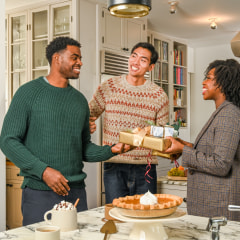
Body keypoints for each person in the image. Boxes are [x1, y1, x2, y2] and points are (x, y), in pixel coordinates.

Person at [0, 37, 131, 225]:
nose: (80, 63)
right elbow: (7, 140)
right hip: (39, 192)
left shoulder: (79, 101)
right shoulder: (28, 93)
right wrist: (43, 171)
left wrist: (111, 150)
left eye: (80, 58)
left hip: (76, 192)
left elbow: (83, 147)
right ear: (56, 58)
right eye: (74, 57)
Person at [89, 42, 169, 204]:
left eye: (143, 60)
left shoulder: (159, 95)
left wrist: (147, 130)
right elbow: (89, 114)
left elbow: (164, 134)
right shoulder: (109, 87)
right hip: (114, 163)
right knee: (117, 214)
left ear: (150, 67)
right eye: (134, 56)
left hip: (145, 167)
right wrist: (88, 124)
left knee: (146, 216)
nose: (135, 62)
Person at [164, 59, 240, 221]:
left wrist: (183, 150)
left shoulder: (229, 114)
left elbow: (221, 164)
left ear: (223, 82)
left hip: (219, 207)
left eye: (208, 77)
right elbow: (214, 151)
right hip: (212, 205)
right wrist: (183, 145)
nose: (203, 82)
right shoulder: (223, 112)